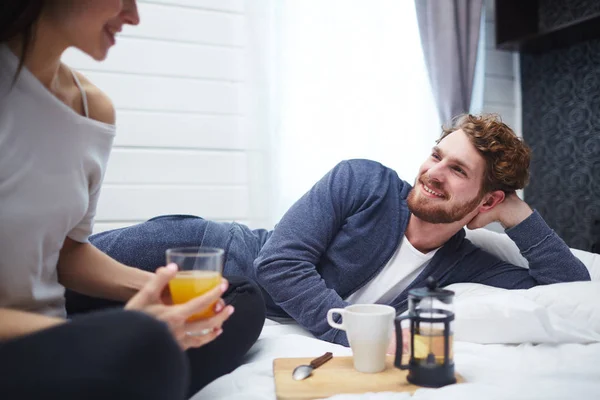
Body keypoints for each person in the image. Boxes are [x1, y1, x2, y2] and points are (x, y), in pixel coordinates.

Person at [90, 113, 591, 349]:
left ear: (488, 199)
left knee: (63, 342)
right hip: (195, 252)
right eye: (437, 155)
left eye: (458, 170)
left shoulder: (466, 263)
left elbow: (567, 289)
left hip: (223, 308)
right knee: (32, 285)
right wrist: (355, 333)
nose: (434, 171)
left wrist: (516, 215)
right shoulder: (364, 181)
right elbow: (278, 264)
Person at [0, 1, 265, 399]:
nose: (133, 15)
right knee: (146, 345)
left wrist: (156, 295)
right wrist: (105, 338)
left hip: (60, 333)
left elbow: (68, 254)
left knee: (235, 301)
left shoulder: (93, 109)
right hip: (20, 346)